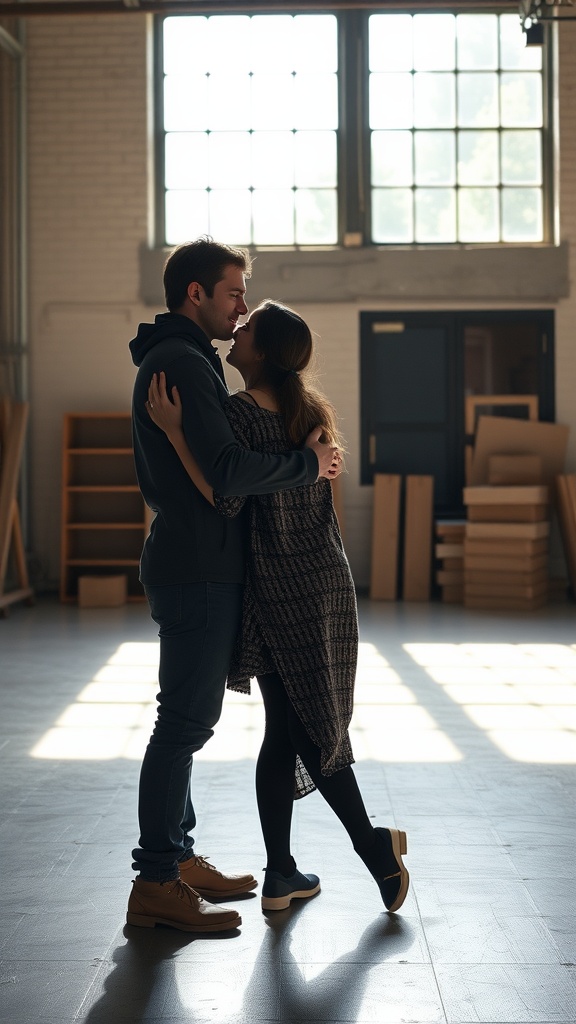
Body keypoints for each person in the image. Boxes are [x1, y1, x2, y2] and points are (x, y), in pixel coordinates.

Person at [146, 298, 410, 916]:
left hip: (279, 588)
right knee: (291, 730)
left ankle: (370, 854)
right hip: (319, 581)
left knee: (307, 729)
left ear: (262, 353)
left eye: (247, 331)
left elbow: (225, 496)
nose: (235, 334)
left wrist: (177, 432)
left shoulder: (237, 415)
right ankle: (284, 872)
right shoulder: (310, 411)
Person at [127, 239, 341, 934]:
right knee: (182, 724)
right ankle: (157, 879)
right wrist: (307, 469)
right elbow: (227, 471)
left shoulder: (187, 361)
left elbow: (217, 467)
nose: (242, 306)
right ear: (196, 294)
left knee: (188, 722)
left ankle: (179, 858)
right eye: (233, 293)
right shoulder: (183, 363)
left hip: (203, 564)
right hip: (196, 568)